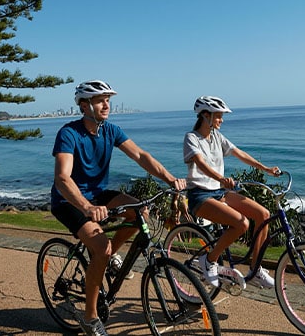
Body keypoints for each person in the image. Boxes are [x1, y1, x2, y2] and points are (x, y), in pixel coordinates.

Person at [51, 80, 186, 336]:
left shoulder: (110, 130)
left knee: (139, 212)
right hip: (69, 200)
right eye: (100, 100)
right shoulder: (68, 134)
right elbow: (63, 178)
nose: (106, 105)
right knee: (101, 249)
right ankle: (89, 318)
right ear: (84, 104)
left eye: (108, 100)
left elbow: (140, 156)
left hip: (99, 195)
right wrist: (87, 207)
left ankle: (111, 255)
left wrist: (170, 179)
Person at [184, 96, 280, 289]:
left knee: (263, 215)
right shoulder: (191, 138)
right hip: (200, 195)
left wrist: (265, 168)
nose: (221, 120)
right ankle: (209, 260)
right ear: (205, 115)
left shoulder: (217, 137)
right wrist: (221, 179)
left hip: (220, 191)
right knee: (241, 223)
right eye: (218, 116)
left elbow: (239, 153)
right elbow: (200, 163)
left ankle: (255, 270)